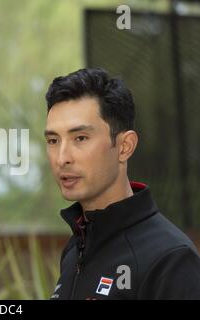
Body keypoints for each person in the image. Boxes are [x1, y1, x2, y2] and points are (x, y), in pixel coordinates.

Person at [44, 68, 200, 299]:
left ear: (125, 146)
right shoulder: (75, 247)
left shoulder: (170, 258)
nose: (62, 157)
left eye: (80, 138)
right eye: (53, 140)